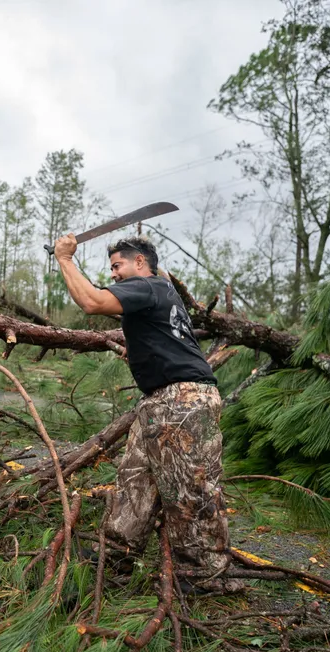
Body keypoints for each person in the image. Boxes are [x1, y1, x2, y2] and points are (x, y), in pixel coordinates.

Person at [52, 232, 240, 593]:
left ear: (140, 263)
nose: (114, 274)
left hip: (182, 401)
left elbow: (92, 302)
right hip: (160, 400)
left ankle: (204, 575)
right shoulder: (158, 292)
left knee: (189, 489)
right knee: (135, 478)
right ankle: (117, 553)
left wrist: (64, 258)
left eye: (117, 265)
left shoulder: (148, 285)